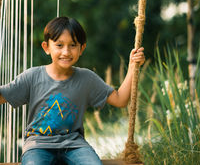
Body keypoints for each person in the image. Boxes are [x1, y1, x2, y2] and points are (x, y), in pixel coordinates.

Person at [0, 16, 145, 165]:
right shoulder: (32, 77)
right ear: (46, 47)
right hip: (38, 145)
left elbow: (120, 100)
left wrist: (133, 66)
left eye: (73, 45)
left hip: (75, 145)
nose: (66, 52)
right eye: (59, 45)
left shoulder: (86, 79)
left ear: (81, 48)